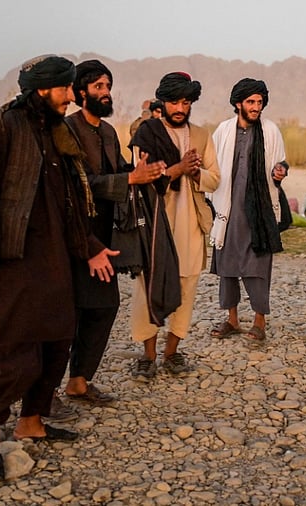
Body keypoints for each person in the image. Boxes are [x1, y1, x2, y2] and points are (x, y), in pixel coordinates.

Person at [0, 55, 113, 481]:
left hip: (56, 259)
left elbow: (69, 202)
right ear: (42, 90)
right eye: (65, 88)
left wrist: (90, 247)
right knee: (10, 344)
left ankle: (32, 420)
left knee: (56, 341)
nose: (71, 95)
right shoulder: (4, 129)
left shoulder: (58, 131)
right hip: (16, 259)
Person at [63, 60, 166, 398]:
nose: (106, 93)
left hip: (106, 233)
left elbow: (117, 171)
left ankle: (79, 381)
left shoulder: (107, 132)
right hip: (75, 233)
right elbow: (78, 185)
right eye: (98, 87)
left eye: (108, 86)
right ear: (81, 93)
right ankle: (45, 391)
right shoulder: (68, 130)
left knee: (104, 306)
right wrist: (127, 178)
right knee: (67, 315)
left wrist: (139, 172)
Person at [128, 72, 220, 380]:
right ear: (162, 102)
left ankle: (172, 354)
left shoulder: (202, 136)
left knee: (186, 288)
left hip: (190, 225)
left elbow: (214, 178)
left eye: (185, 102)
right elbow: (140, 179)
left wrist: (194, 175)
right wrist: (177, 169)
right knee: (148, 289)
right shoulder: (146, 134)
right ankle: (148, 356)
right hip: (155, 225)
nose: (180, 108)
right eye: (174, 102)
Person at [209, 78, 287, 344]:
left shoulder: (271, 130)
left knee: (257, 266)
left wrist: (280, 171)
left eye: (260, 102)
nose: (256, 107)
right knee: (227, 266)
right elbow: (213, 166)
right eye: (251, 102)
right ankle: (232, 319)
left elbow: (280, 162)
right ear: (237, 103)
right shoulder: (223, 130)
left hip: (258, 211)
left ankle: (259, 322)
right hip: (228, 209)